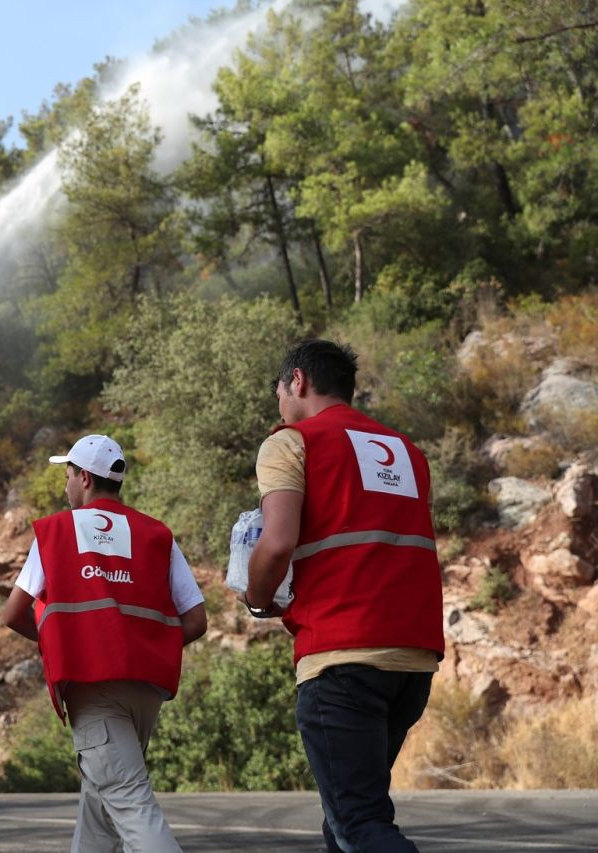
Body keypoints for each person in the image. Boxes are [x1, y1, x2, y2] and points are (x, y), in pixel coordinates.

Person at [243, 340, 444, 853]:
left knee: (360, 824)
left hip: (342, 656)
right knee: (344, 823)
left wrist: (257, 596)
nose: (280, 406)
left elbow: (278, 540)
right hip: (412, 659)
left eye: (279, 393)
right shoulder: (406, 452)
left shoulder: (291, 443)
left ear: (298, 382)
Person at [1, 434, 207, 853]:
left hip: (94, 690)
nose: (65, 485)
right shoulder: (156, 534)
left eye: (68, 475)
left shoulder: (56, 532)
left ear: (85, 478)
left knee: (130, 802)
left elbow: (12, 613)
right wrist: (151, 647)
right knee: (99, 809)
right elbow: (196, 620)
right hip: (146, 691)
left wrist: (63, 645)